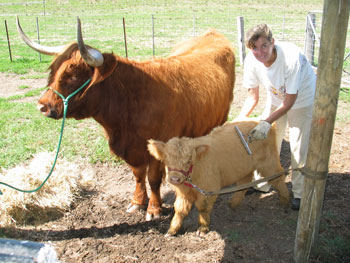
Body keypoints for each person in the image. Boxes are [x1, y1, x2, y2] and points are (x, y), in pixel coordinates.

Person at [237, 24, 316, 210]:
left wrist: (265, 122)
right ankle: (262, 184)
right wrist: (238, 121)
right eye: (254, 48)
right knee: (268, 142)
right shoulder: (251, 60)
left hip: (301, 99)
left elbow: (289, 102)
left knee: (298, 147)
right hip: (276, 98)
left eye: (264, 45)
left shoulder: (290, 59)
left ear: (273, 42)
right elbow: (252, 97)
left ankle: (299, 193)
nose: (260, 52)